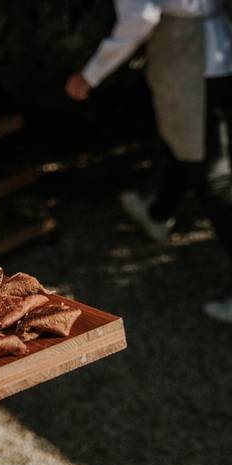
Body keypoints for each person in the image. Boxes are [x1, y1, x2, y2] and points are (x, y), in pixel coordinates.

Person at [65, 0, 232, 323]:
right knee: (185, 144)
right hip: (217, 46)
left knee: (213, 175)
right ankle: (159, 213)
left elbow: (141, 16)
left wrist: (90, 74)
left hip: (192, 53)